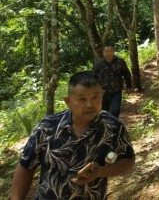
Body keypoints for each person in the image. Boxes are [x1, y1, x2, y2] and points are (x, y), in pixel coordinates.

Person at [10, 71, 135, 200]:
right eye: (82, 99)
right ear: (68, 101)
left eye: (95, 97)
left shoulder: (112, 127)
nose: (89, 104)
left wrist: (100, 172)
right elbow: (26, 166)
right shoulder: (47, 127)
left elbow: (128, 159)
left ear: (102, 96)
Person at [93, 44, 133, 119]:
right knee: (104, 112)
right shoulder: (98, 64)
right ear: (103, 52)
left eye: (111, 51)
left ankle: (114, 125)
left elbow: (126, 74)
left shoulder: (120, 61)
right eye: (106, 51)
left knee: (115, 110)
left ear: (114, 51)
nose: (109, 53)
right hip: (103, 92)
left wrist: (129, 86)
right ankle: (107, 127)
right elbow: (94, 78)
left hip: (116, 91)